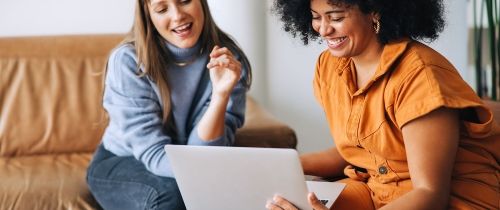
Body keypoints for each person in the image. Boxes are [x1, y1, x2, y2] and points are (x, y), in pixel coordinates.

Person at [268, 0, 500, 209]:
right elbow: (357, 151)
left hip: (449, 199)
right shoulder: (329, 67)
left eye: (336, 17)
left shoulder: (421, 77)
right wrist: (287, 165)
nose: (324, 29)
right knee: (284, 203)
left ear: (375, 12)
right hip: (377, 188)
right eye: (316, 17)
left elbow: (430, 194)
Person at [86, 0, 251, 209]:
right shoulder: (129, 61)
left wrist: (220, 95)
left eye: (184, 1)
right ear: (149, 17)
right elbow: (156, 155)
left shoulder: (229, 61)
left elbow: (205, 154)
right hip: (122, 160)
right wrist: (215, 175)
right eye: (162, 9)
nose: (177, 15)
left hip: (189, 164)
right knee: (175, 195)